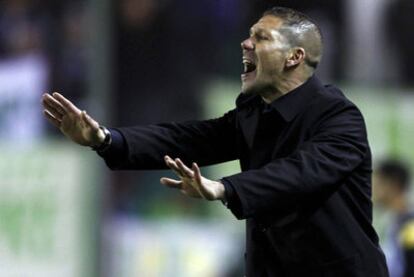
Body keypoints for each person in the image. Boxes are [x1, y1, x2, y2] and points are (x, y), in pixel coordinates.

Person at [41, 6, 388, 277]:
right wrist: (104, 139)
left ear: (294, 57)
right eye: (249, 35)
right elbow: (190, 138)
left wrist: (225, 188)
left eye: (261, 38)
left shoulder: (339, 117)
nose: (245, 43)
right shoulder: (254, 113)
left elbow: (300, 173)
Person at [373, 159, 414, 277]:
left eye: (377, 184)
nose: (373, 190)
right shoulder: (393, 223)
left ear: (392, 184)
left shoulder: (409, 226)